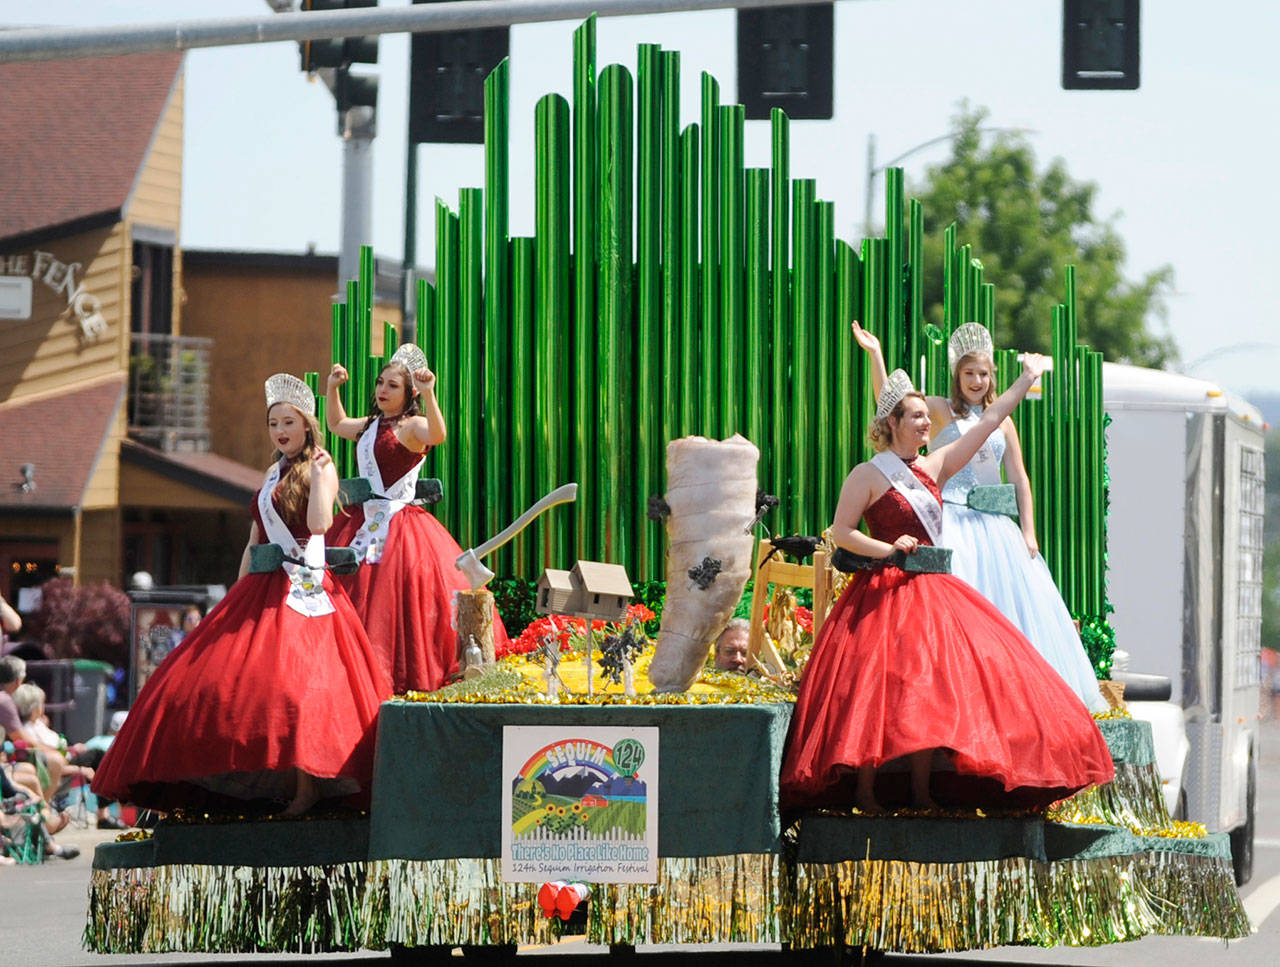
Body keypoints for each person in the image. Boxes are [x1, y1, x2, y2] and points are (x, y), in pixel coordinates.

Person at [780, 358, 1114, 816]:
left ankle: (922, 791)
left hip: (933, 590)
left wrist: (1028, 378)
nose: (926, 423)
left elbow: (992, 420)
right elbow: (842, 531)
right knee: (876, 688)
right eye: (916, 416)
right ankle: (864, 791)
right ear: (893, 423)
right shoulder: (868, 473)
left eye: (925, 416)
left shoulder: (935, 466)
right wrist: (886, 548)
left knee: (927, 691)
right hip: (883, 592)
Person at [93, 374, 390, 818]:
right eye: (274, 424)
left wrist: (320, 474)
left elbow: (321, 526)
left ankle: (307, 787)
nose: (280, 431)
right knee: (221, 684)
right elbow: (254, 539)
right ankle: (241, 780)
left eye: (289, 422)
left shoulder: (320, 466)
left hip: (306, 588)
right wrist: (234, 598)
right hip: (262, 586)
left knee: (302, 687)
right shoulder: (273, 473)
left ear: (308, 425)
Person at [852, 321, 1107, 714]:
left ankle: (1015, 698)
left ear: (992, 378)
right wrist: (876, 356)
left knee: (1013, 610)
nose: (976, 380)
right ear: (957, 374)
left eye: (983, 374)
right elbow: (891, 404)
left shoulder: (1003, 419)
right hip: (951, 520)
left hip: (995, 527)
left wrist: (1029, 531)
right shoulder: (937, 410)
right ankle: (961, 695)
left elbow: (1020, 478)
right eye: (969, 372)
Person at [325, 344, 508, 694]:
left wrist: (430, 393)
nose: (382, 390)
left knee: (402, 602)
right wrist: (333, 387)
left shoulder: (412, 426)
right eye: (380, 383)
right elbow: (335, 423)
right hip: (362, 522)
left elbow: (437, 435)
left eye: (392, 385)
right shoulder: (370, 426)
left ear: (408, 392)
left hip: (400, 527)